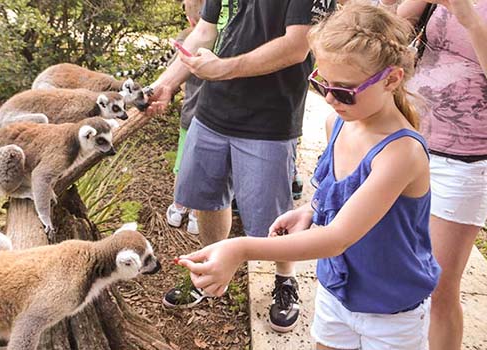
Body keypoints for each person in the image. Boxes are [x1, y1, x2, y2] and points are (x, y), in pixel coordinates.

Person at [176, 2, 442, 349]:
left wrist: (241, 248)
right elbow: (335, 194)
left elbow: (337, 238)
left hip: (390, 310)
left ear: (392, 79)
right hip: (337, 292)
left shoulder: (400, 153)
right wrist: (311, 210)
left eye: (344, 90)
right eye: (322, 84)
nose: (331, 99)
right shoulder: (338, 123)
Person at [147, 0, 335, 332]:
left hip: (269, 119)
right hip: (211, 112)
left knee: (274, 217)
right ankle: (208, 272)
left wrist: (223, 68)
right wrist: (165, 83)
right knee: (207, 198)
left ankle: (284, 282)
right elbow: (205, 31)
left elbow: (296, 46)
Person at [380, 1, 487, 349]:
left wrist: (469, 17)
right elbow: (389, 38)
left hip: (466, 157)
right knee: (393, 266)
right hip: (408, 139)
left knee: (438, 286)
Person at [166, 0, 205, 236]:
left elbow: (173, 71)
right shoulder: (225, 41)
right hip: (215, 118)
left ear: (190, 20)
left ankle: (178, 207)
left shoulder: (186, 40)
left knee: (183, 164)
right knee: (204, 167)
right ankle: (196, 215)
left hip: (190, 115)